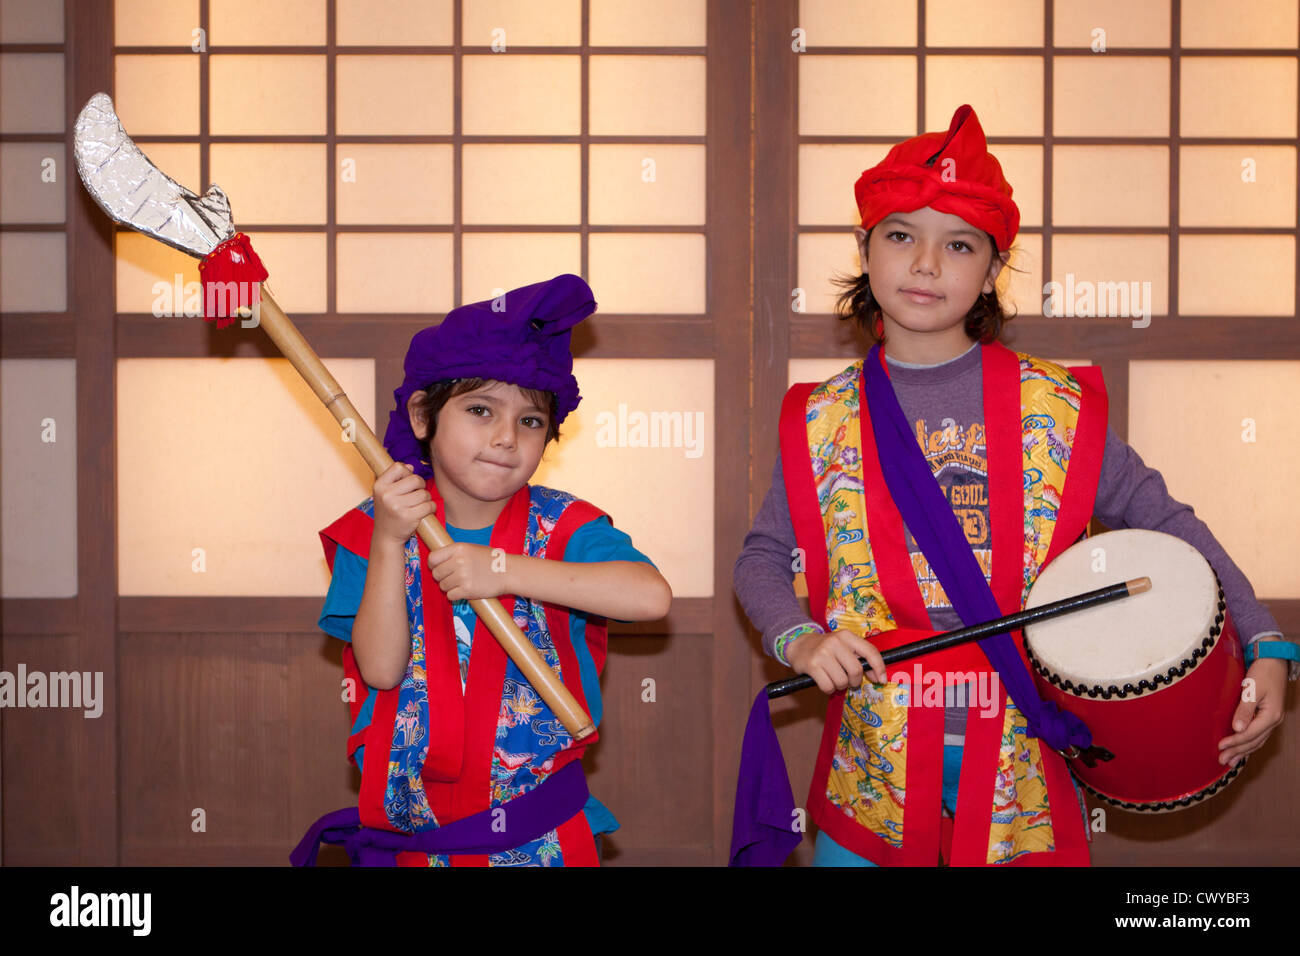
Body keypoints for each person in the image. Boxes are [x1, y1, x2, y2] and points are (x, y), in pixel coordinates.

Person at [731, 105, 1298, 867]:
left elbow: (1165, 522)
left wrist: (1264, 639)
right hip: (873, 759)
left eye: (958, 244)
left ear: (994, 269)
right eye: (901, 235)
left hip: (1022, 750)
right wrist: (797, 637)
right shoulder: (821, 416)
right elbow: (763, 555)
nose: (926, 263)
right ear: (864, 248)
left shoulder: (1056, 409)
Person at [293, 274, 672, 867]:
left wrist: (503, 571)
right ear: (423, 415)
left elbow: (649, 598)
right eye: (479, 409)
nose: (504, 437)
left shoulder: (566, 527)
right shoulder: (374, 527)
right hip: (414, 841)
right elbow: (381, 669)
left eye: (530, 421)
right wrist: (392, 540)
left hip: (540, 837)